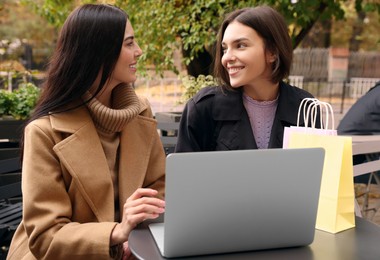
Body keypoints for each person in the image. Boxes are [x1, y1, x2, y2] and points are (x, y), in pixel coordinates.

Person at [7, 4, 165, 260]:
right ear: (98, 52)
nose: (139, 51)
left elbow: (159, 188)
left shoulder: (140, 113)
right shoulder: (44, 132)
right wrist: (115, 233)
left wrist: (133, 234)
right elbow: (46, 236)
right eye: (129, 43)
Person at [175, 6, 318, 152]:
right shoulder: (203, 108)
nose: (227, 58)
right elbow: (184, 173)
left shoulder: (305, 109)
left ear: (273, 52)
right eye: (225, 49)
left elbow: (318, 171)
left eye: (240, 46)